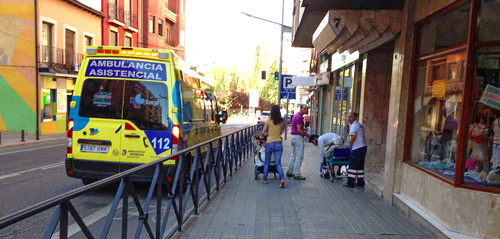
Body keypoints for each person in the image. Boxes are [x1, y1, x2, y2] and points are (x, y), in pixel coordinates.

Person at [260, 104, 286, 188]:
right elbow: (281, 132)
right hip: (278, 143)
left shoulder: (268, 120)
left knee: (267, 162)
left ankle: (264, 179)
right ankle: (281, 179)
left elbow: (263, 132)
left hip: (269, 143)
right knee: (278, 163)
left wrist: (262, 136)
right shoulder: (282, 121)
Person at [287, 105, 311, 180]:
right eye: (305, 109)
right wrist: (307, 135)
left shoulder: (295, 116)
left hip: (293, 137)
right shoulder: (299, 117)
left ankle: (289, 171)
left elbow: (298, 128)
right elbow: (299, 130)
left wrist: (303, 129)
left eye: (307, 109)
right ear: (300, 108)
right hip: (297, 138)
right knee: (299, 156)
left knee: (293, 155)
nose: (306, 110)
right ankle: (297, 173)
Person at [345, 112, 367, 187]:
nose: (349, 118)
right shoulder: (358, 124)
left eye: (350, 117)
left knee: (352, 165)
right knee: (360, 166)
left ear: (355, 117)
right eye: (348, 117)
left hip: (357, 148)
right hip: (362, 147)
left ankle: (350, 182)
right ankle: (360, 182)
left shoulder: (354, 126)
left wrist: (350, 145)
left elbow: (353, 137)